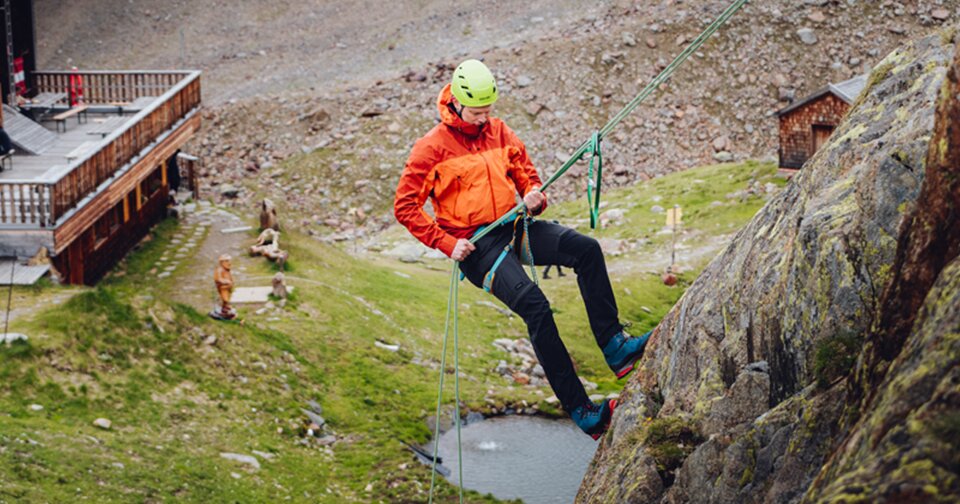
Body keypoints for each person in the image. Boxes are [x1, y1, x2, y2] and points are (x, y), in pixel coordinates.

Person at [394, 59, 651, 439]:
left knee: (587, 250)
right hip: (476, 247)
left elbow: (525, 173)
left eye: (488, 111)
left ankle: (616, 346)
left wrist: (533, 195)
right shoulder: (430, 149)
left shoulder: (499, 131)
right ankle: (583, 411)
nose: (483, 119)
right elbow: (405, 207)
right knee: (536, 306)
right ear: (457, 104)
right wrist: (447, 244)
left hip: (514, 227)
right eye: (477, 112)